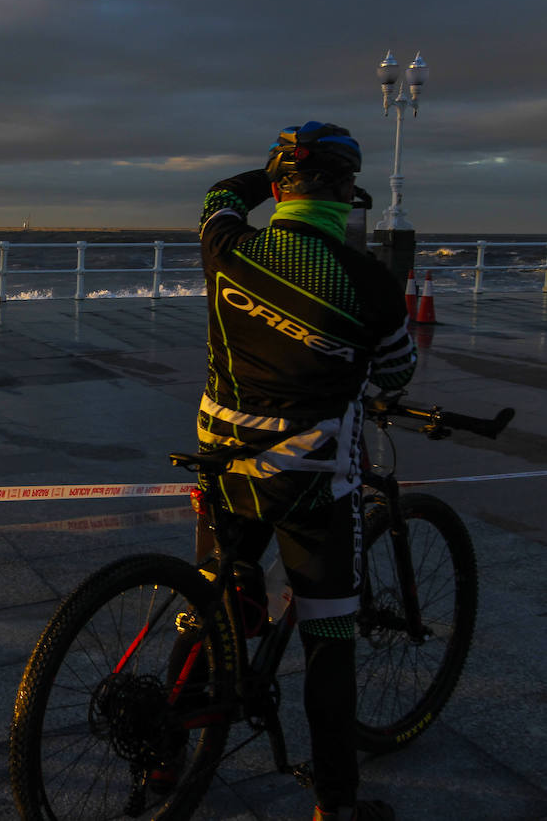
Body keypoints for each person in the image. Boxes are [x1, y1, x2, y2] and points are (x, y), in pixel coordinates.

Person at [194, 122, 417, 820]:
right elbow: (396, 374)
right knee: (329, 640)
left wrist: (272, 171)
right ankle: (336, 804)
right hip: (313, 480)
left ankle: (170, 758)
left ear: (281, 184)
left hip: (223, 460)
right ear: (348, 190)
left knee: (213, 609)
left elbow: (219, 196)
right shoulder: (371, 284)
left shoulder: (229, 248)